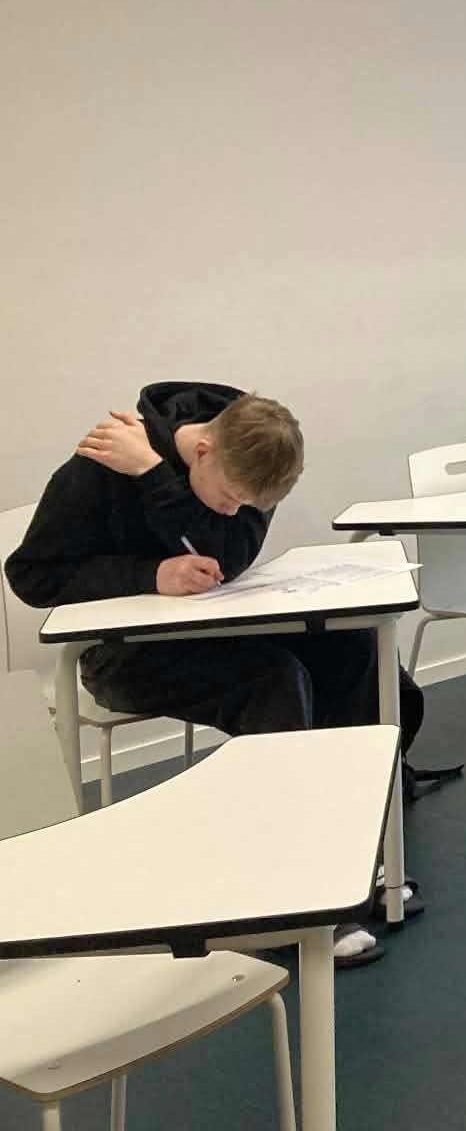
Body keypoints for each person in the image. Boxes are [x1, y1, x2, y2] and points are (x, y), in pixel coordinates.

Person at [6, 381, 420, 965]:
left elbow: (229, 557)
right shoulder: (101, 464)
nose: (233, 513)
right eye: (227, 500)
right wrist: (151, 573)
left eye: (249, 507)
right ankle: (286, 899)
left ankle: (353, 854)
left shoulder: (255, 459)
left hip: (213, 630)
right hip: (120, 654)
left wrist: (156, 476)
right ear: (203, 449)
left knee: (354, 650)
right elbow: (32, 576)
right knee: (274, 681)